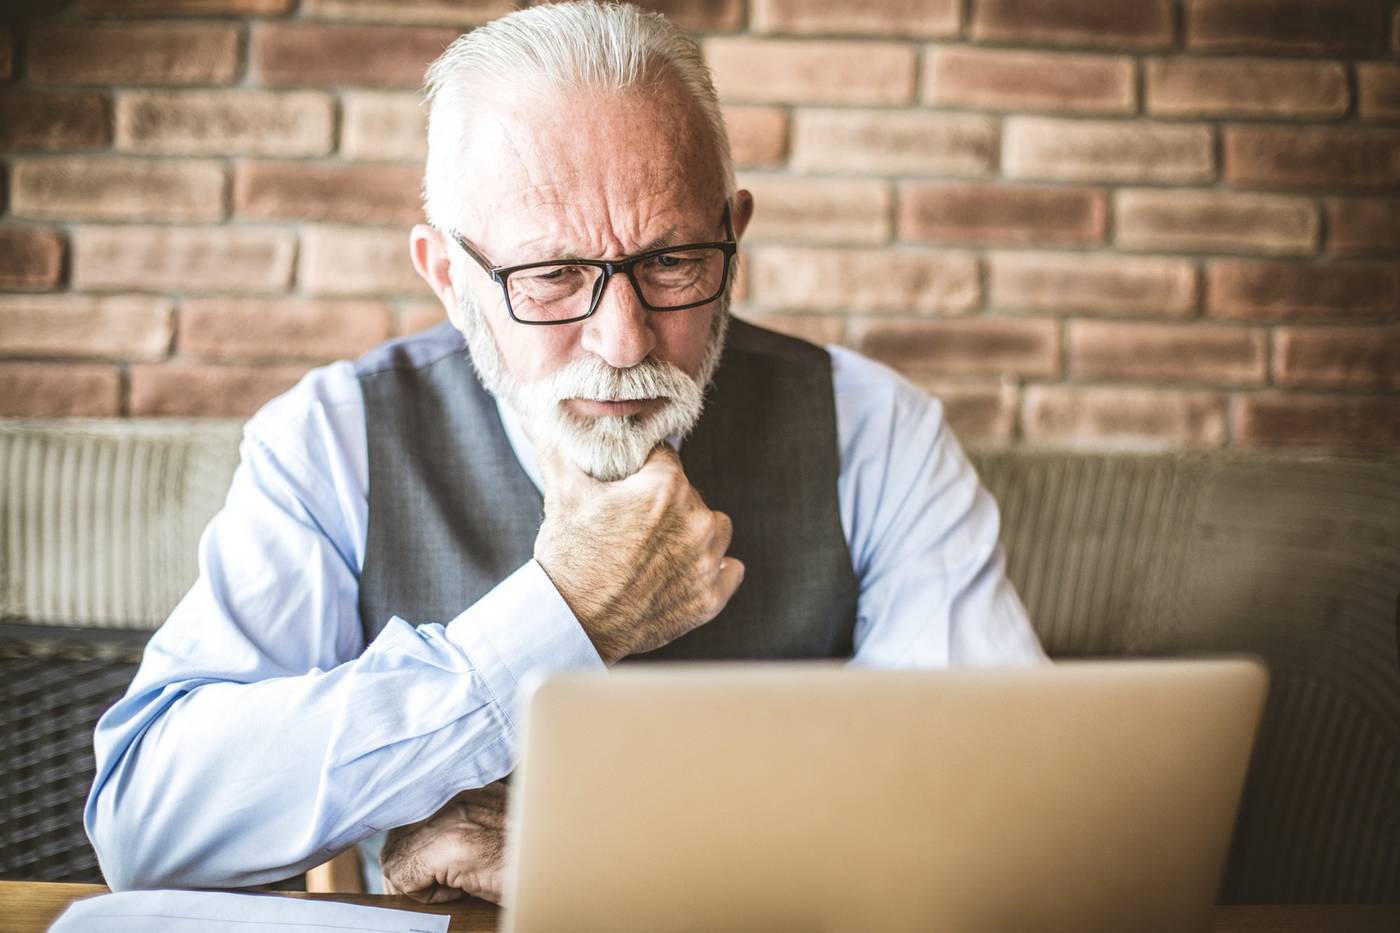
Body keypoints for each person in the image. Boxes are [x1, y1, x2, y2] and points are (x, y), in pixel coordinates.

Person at [85, 0, 1045, 900]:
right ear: (449, 278)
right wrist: (565, 613)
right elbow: (147, 821)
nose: (623, 342)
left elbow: (1010, 808)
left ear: (733, 236)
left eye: (670, 261)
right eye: (550, 274)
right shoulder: (334, 438)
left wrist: (587, 850)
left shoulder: (877, 430)